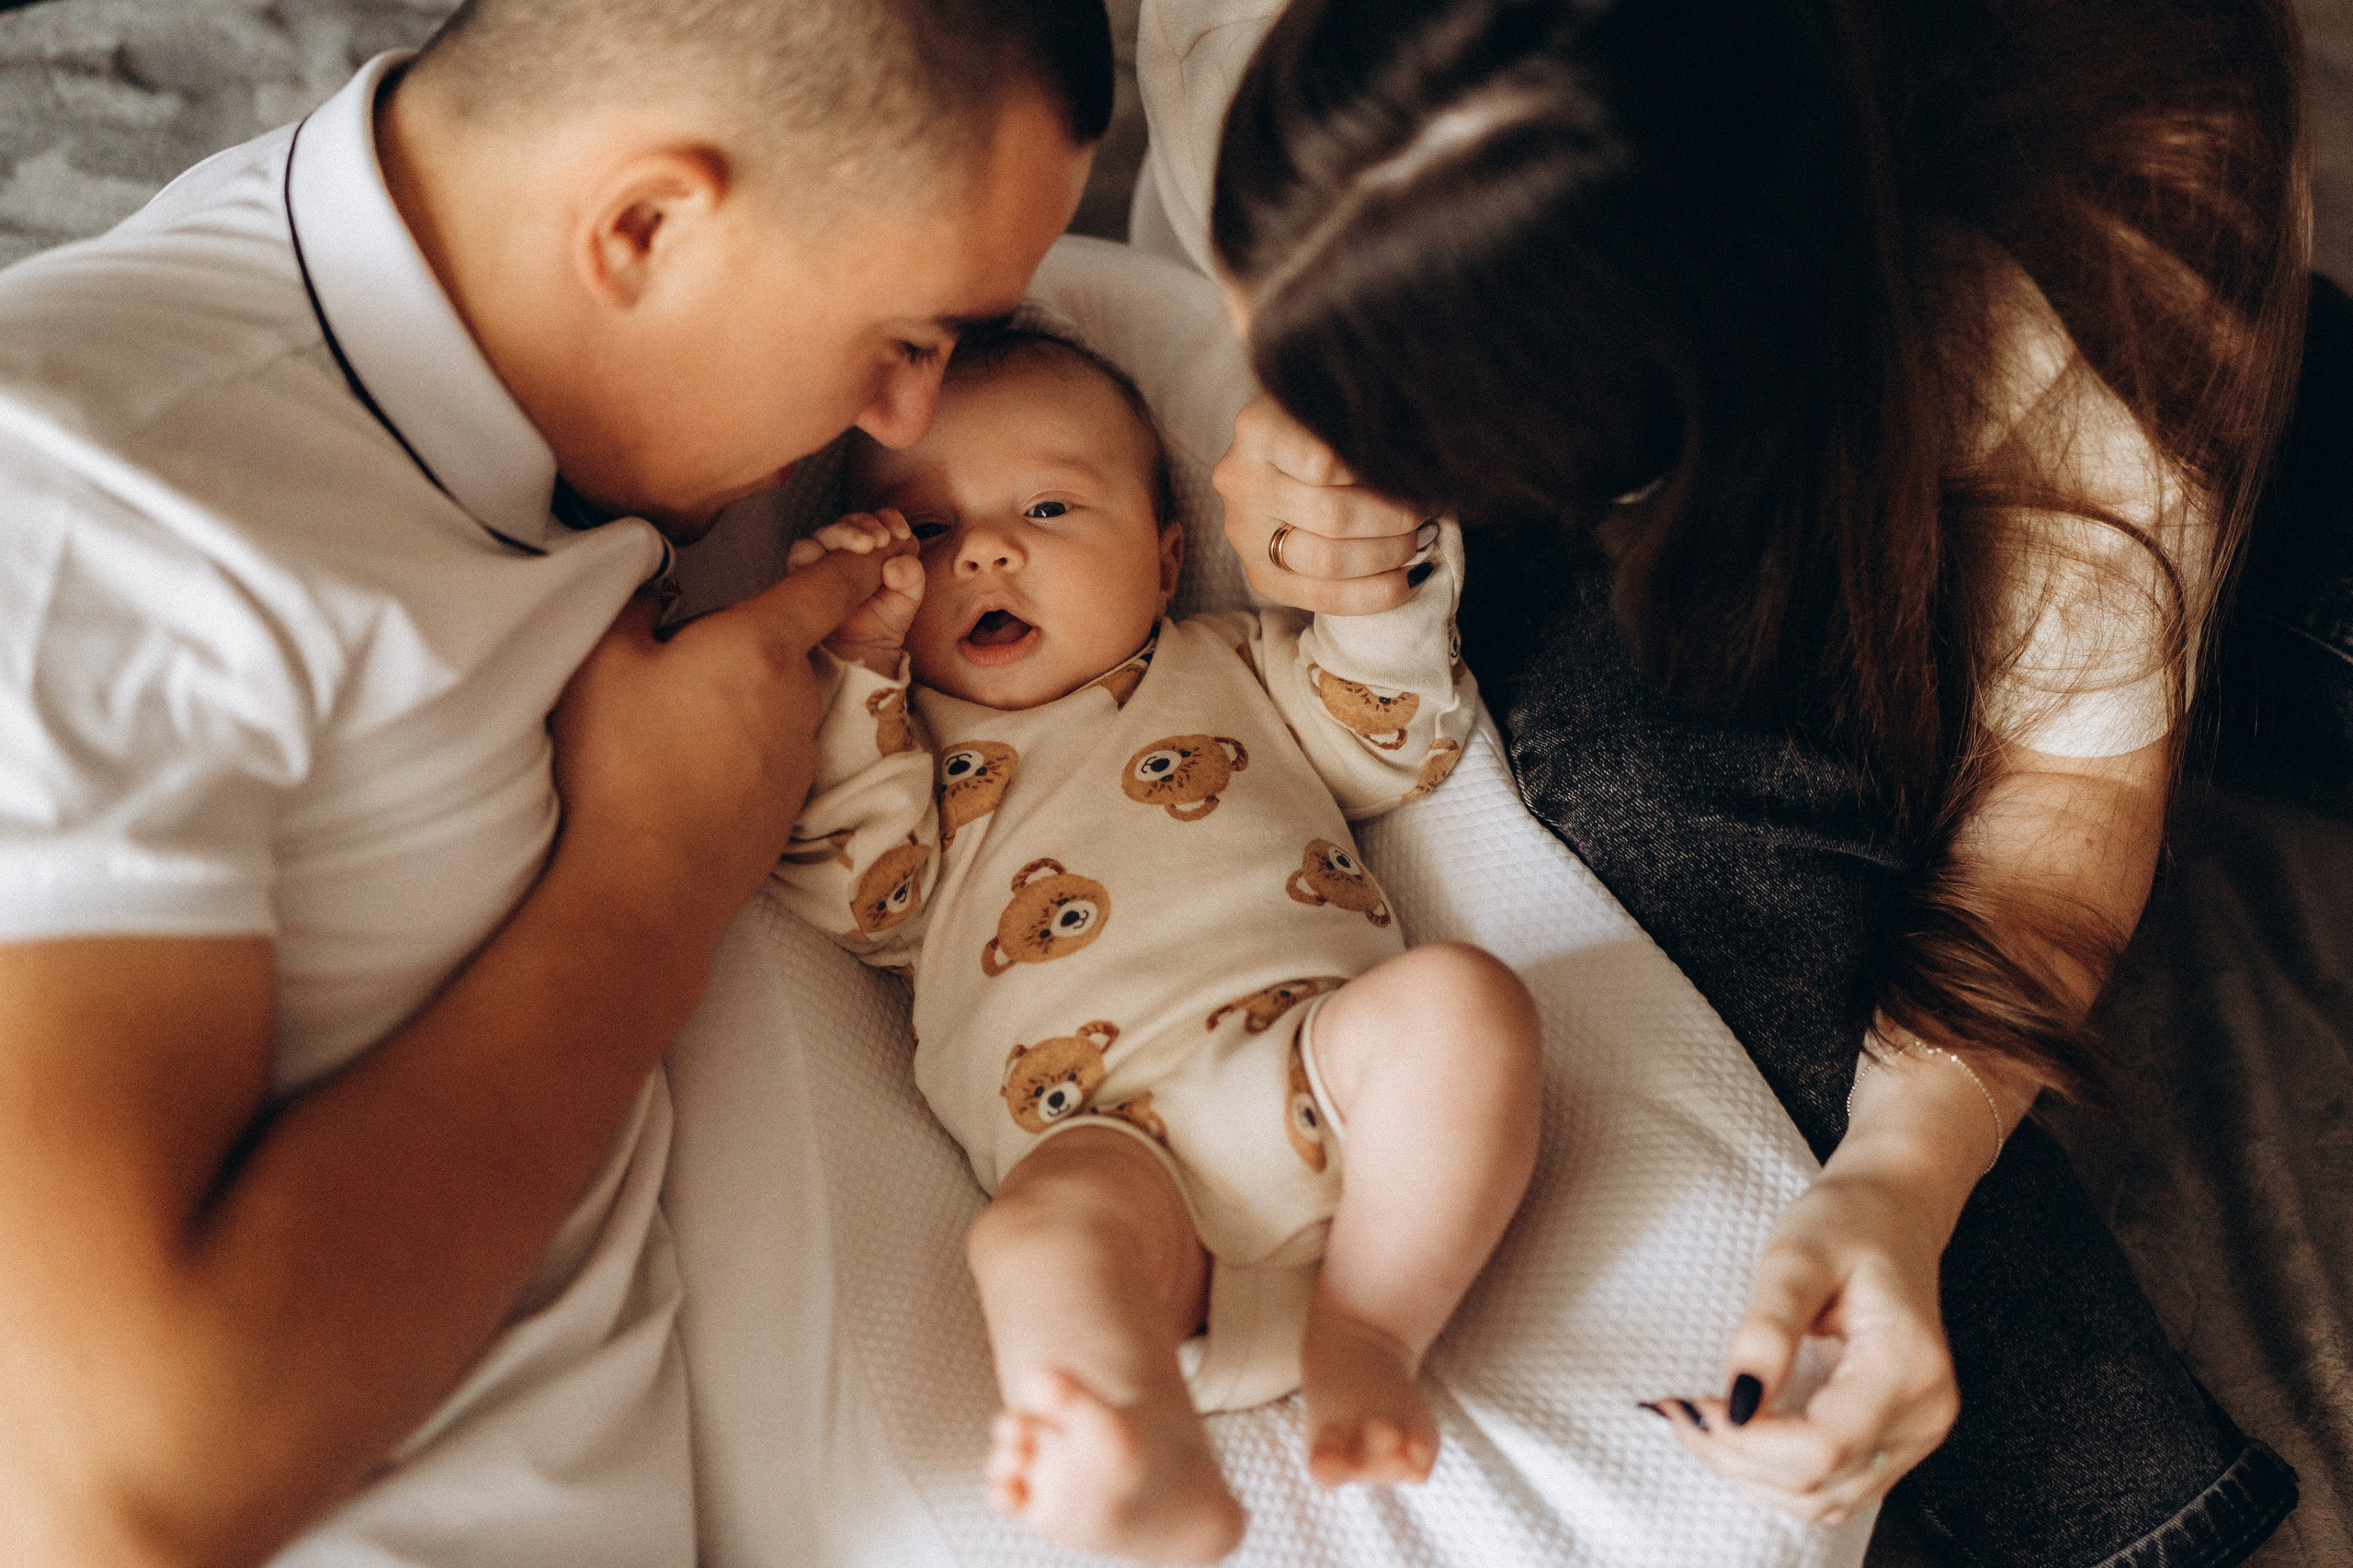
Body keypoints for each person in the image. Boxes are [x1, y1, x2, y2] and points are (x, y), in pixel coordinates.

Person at [1128, 0, 2313, 1561]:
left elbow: (2066, 805)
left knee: (1669, 821)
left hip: (1968, 344)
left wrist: (1910, 1164)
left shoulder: (2073, 292)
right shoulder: (1269, 63)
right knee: (1647, 813)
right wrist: (1313, 455)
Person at [0, 1, 1110, 1563]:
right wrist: (652, 873)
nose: (908, 423)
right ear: (644, 224)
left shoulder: (457, 287)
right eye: (908, 341)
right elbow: (111, 1487)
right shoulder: (86, 509)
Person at [768, 324, 1541, 1564]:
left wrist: (1369, 580)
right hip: (1104, 1145)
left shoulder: (1233, 664)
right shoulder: (912, 763)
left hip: (1319, 1075)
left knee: (1464, 1004)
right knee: (1029, 1233)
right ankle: (1136, 1433)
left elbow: (1398, 736)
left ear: (1168, 555)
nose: (987, 548)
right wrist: (851, 665)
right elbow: (858, 894)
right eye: (924, 531)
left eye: (1051, 503)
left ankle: (1371, 1329)